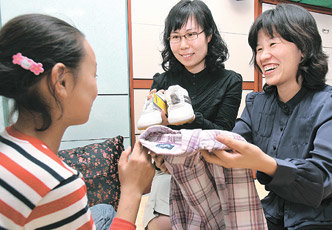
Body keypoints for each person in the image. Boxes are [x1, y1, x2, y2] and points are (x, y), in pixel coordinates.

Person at [201, 3, 332, 230]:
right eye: (259, 49)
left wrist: (264, 163)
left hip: (325, 215)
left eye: (273, 44)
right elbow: (230, 144)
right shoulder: (255, 103)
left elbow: (323, 177)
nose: (263, 56)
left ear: (303, 48)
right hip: (275, 210)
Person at [0, 14, 154, 230]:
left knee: (103, 211)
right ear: (61, 82)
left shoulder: (8, 142)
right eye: (94, 75)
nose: (96, 89)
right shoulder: (59, 183)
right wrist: (132, 189)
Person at [142, 0, 243, 229]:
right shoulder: (162, 82)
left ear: (208, 35)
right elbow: (152, 136)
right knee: (161, 225)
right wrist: (157, 154)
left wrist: (189, 117)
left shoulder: (230, 81)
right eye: (175, 37)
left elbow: (224, 135)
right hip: (170, 172)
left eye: (191, 34)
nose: (183, 45)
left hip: (213, 172)